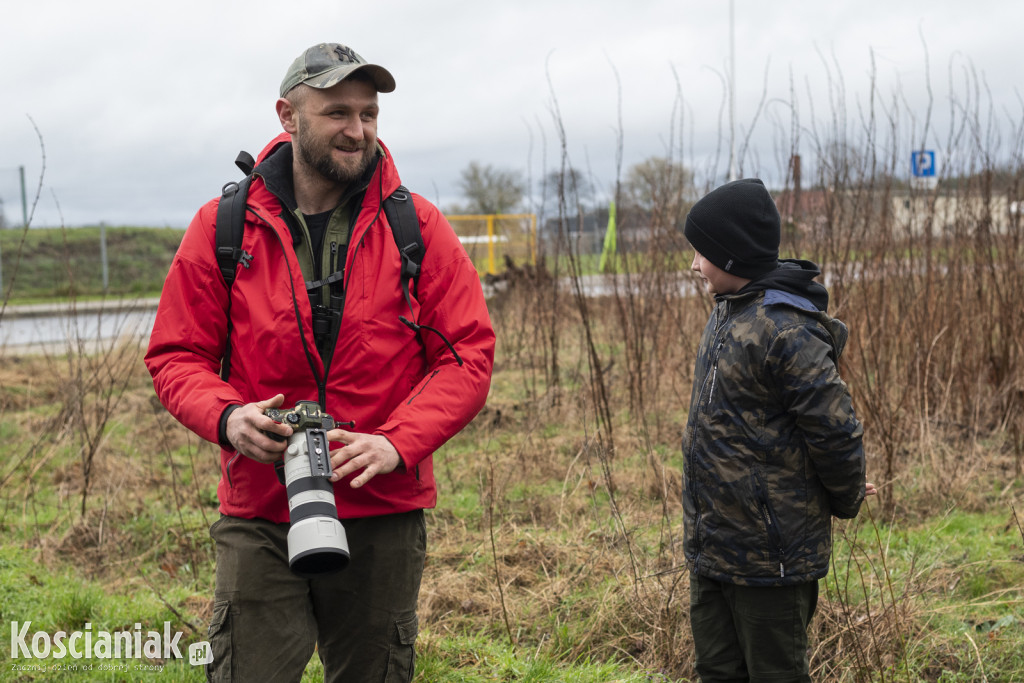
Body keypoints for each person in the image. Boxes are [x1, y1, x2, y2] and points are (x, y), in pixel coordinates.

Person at [145, 42, 495, 682]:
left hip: (380, 506)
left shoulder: (415, 227)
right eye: (338, 112)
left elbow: (467, 356)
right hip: (261, 508)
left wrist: (396, 443)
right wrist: (228, 420)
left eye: (369, 114)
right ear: (288, 115)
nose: (357, 130)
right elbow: (177, 354)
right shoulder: (223, 227)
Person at [680, 178, 876, 682]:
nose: (693, 265)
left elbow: (834, 430)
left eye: (700, 253)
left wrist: (845, 494)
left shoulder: (788, 327)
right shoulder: (728, 310)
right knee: (717, 671)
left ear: (730, 255)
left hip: (772, 559)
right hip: (715, 550)